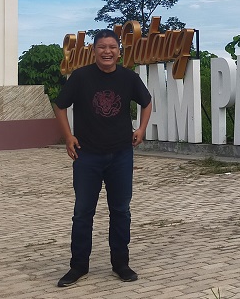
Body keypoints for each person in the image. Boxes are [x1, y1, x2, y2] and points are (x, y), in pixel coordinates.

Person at [54, 29, 152, 287]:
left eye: (112, 47)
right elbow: (60, 105)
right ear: (94, 50)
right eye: (102, 47)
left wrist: (141, 129)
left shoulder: (128, 78)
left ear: (119, 51)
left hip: (121, 155)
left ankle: (120, 263)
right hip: (87, 156)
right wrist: (68, 136)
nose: (107, 51)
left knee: (121, 210)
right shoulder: (81, 77)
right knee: (83, 212)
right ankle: (78, 266)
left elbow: (147, 101)